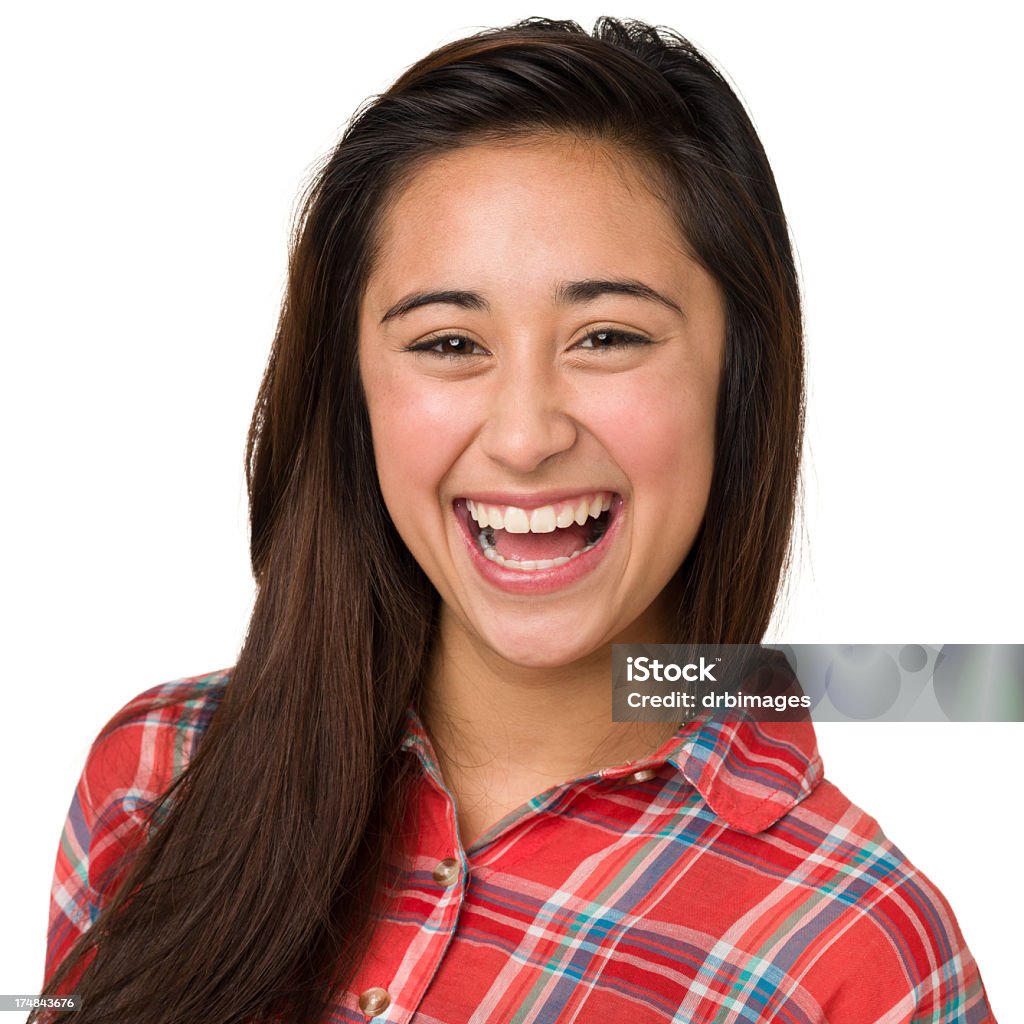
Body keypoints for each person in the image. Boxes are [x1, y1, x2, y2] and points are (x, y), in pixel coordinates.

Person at [34, 17, 996, 1024]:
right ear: (353, 392)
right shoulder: (160, 776)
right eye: (449, 342)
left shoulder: (856, 952)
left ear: (736, 380)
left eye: (608, 336)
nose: (526, 434)